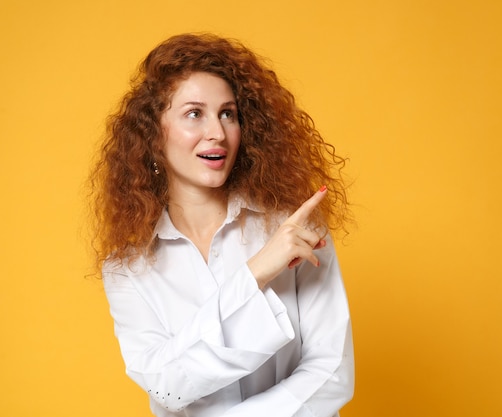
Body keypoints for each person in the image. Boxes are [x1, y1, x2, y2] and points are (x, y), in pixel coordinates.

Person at [89, 33, 354, 417]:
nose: (217, 131)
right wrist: (256, 273)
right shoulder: (128, 269)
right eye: (194, 113)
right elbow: (167, 387)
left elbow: (331, 372)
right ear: (153, 136)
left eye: (227, 113)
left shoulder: (294, 230)